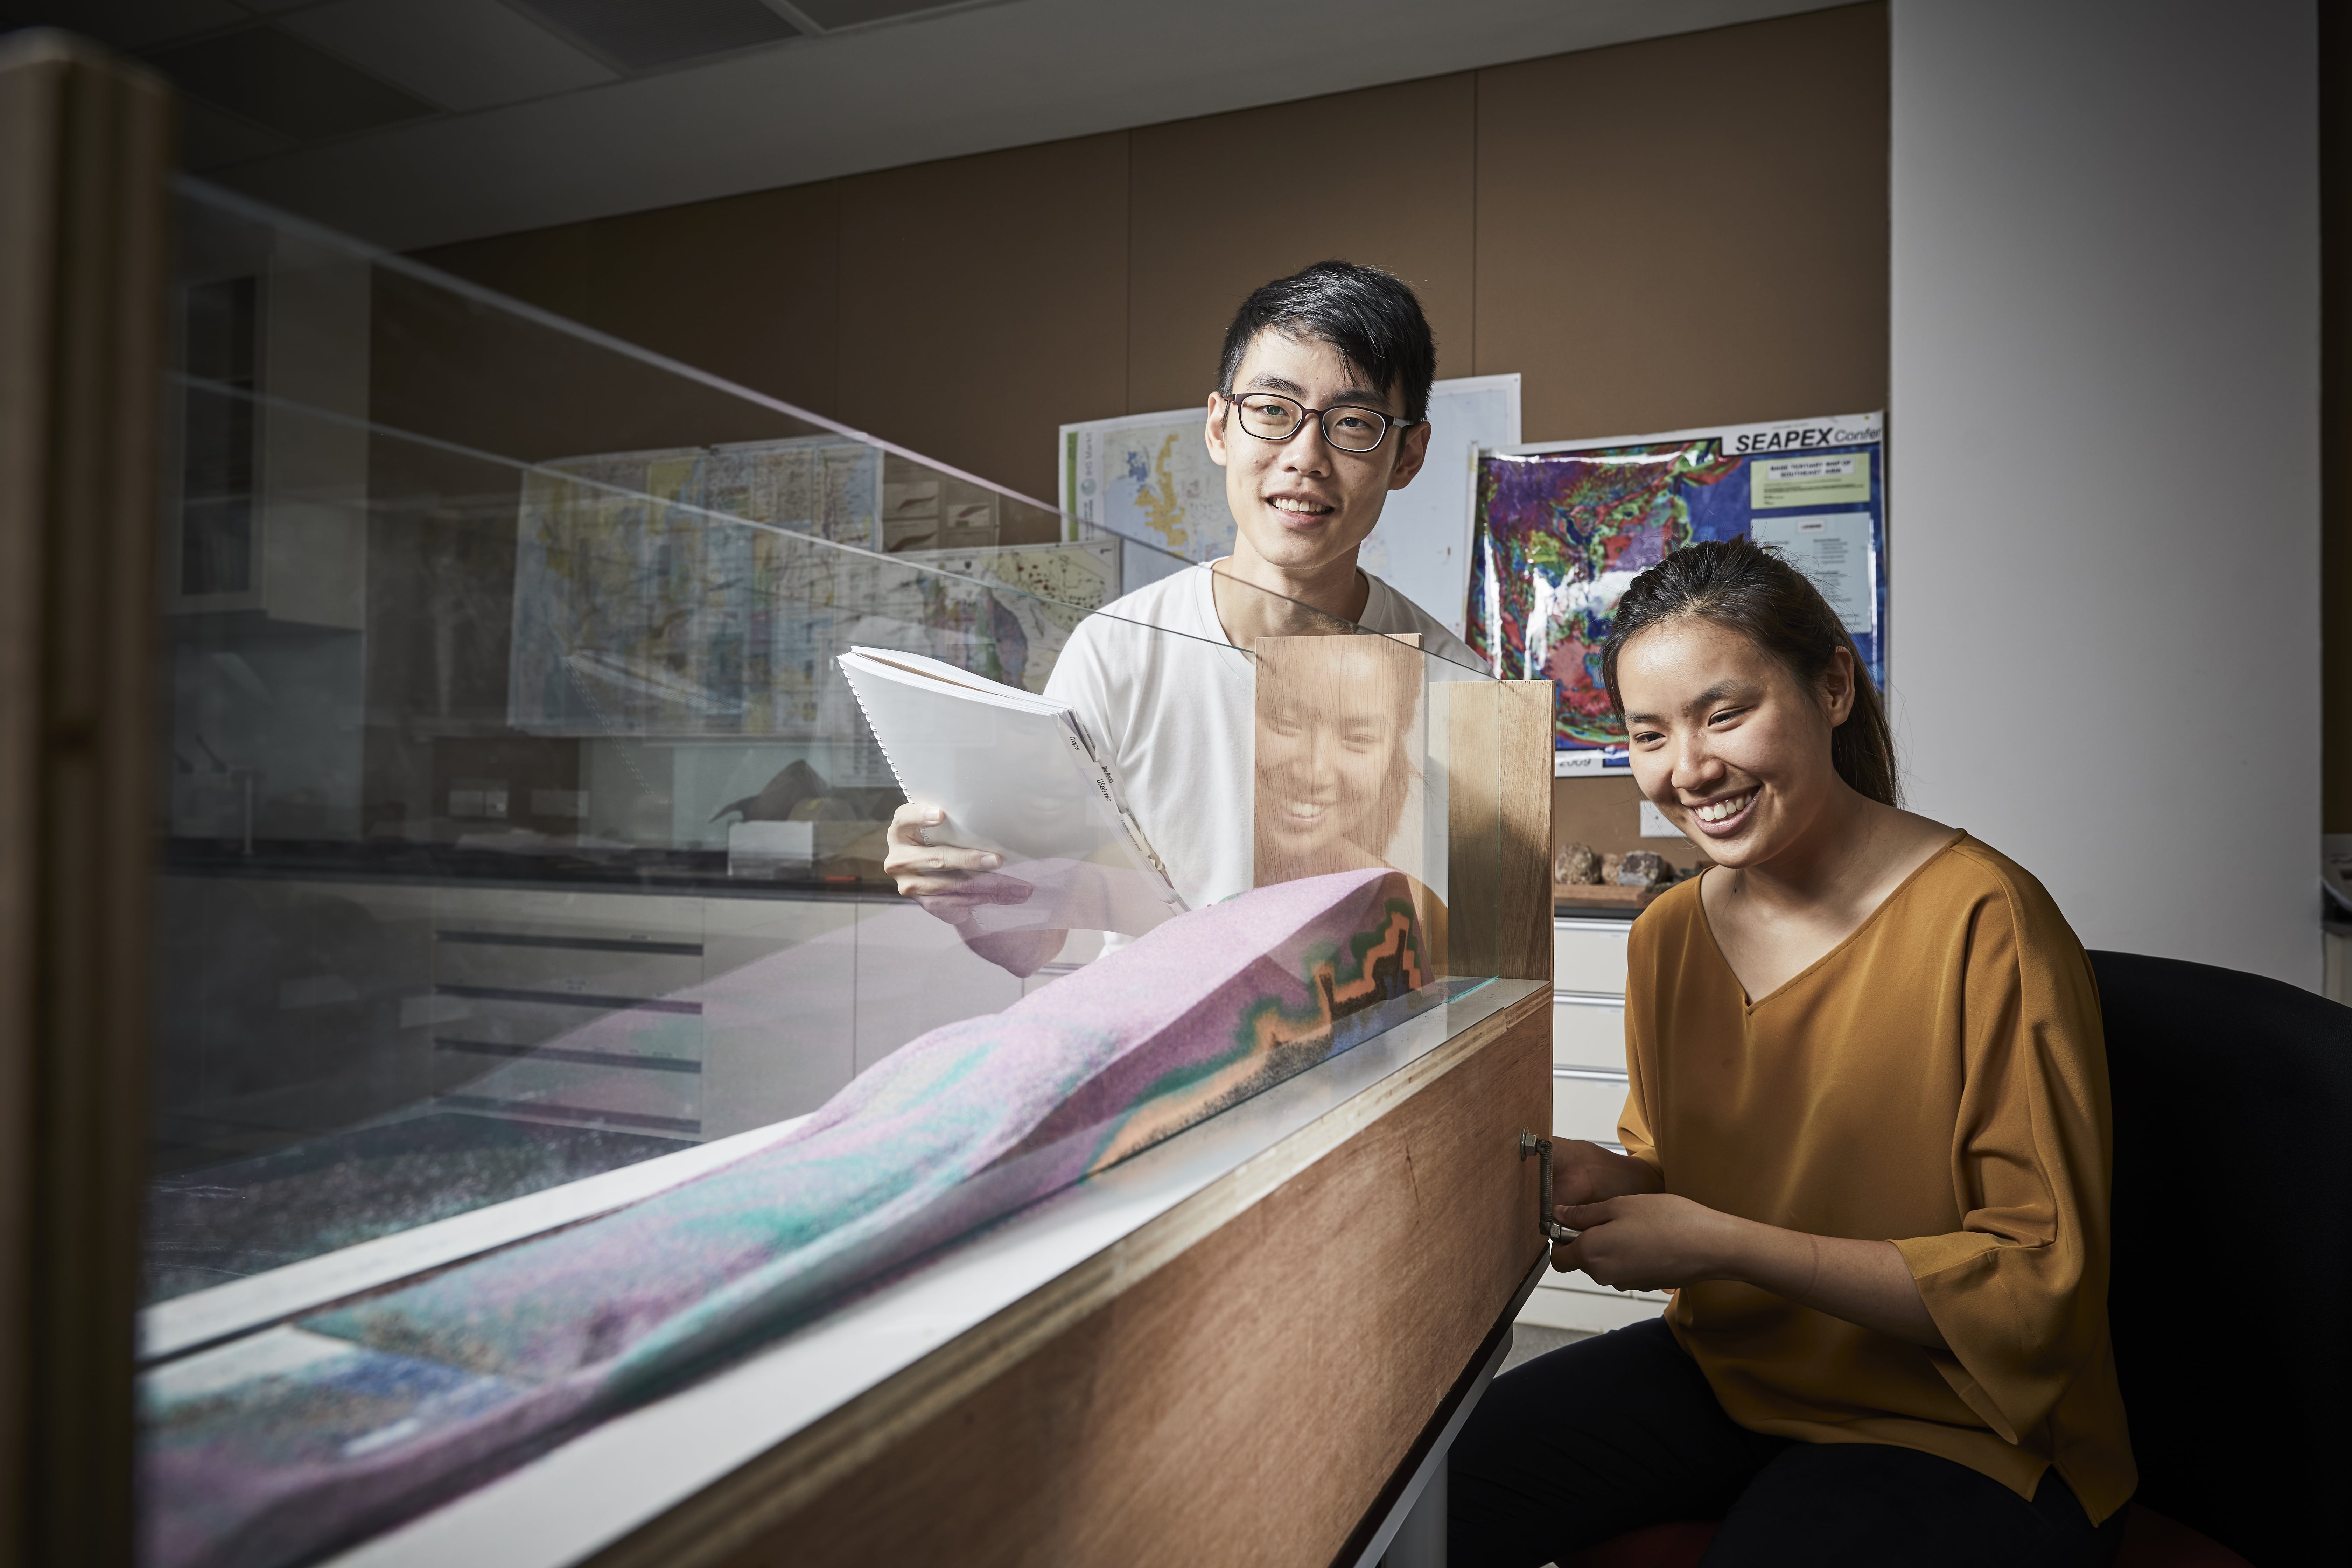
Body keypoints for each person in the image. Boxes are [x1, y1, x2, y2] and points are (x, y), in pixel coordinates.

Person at [1448, 539, 2134, 1567]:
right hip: (1734, 1369)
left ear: (1833, 687)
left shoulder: (1988, 920)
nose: (1690, 769)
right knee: (1444, 1494)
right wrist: (1616, 1181)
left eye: (1725, 715)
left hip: (1966, 1427)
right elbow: (1687, 1172)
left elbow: (2037, 1292)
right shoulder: (1668, 933)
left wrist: (1721, 1243)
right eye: (1650, 735)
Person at [884, 262, 1483, 969]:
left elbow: (1476, 963)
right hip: (1156, 1065)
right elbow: (1033, 940)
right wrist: (962, 888)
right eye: (1272, 410)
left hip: (1369, 1072)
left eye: (1353, 423)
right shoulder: (1116, 652)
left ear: (1408, 454)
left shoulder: (1459, 687)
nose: (1305, 457)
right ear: (1220, 427)